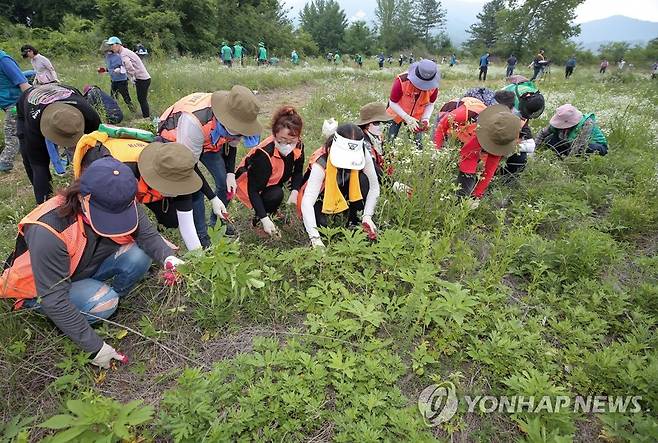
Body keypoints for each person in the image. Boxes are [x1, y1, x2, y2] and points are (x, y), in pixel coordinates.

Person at [0, 157, 183, 368]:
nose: (114, 222)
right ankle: (87, 307)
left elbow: (148, 236)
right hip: (39, 290)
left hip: (80, 269)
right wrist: (95, 348)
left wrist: (171, 259)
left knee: (139, 255)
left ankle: (95, 300)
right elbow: (54, 298)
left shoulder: (119, 197)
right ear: (82, 198)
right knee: (104, 302)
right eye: (106, 216)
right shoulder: (48, 230)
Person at [73, 134, 224, 251]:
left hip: (142, 180)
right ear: (159, 181)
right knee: (114, 230)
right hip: (106, 176)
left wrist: (199, 259)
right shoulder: (122, 173)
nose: (179, 192)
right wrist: (154, 240)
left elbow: (187, 225)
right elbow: (128, 217)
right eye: (174, 189)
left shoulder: (178, 172)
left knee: (171, 220)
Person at [158, 86, 262, 244]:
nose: (240, 137)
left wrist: (230, 174)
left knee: (224, 183)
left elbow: (231, 145)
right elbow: (189, 167)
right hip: (177, 138)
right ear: (225, 120)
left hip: (209, 141)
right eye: (238, 132)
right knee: (194, 192)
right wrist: (212, 198)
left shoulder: (237, 114)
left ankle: (216, 223)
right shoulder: (193, 121)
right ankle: (202, 237)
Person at [298, 123, 380, 247]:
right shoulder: (321, 161)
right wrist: (315, 239)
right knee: (323, 228)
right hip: (323, 194)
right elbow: (307, 202)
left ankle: (354, 220)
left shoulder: (363, 153)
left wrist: (367, 216)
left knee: (363, 180)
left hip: (346, 187)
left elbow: (374, 187)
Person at [16, 83, 101, 203]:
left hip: (61, 89)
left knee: (92, 152)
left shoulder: (89, 114)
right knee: (33, 162)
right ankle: (45, 203)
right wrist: (44, 204)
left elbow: (99, 146)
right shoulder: (34, 121)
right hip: (28, 103)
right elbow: (38, 165)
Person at [235, 107, 305, 237]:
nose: (286, 145)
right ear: (274, 134)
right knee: (275, 195)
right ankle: (257, 220)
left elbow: (298, 171)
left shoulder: (299, 146)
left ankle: (272, 211)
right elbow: (253, 190)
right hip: (251, 186)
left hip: (272, 180)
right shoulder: (264, 155)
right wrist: (264, 218)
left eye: (291, 141)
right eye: (281, 140)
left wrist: (295, 191)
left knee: (279, 190)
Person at [455, 104, 520, 200]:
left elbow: (489, 170)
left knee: (475, 179)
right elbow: (467, 158)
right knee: (465, 183)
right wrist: (465, 189)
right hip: (459, 133)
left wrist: (477, 195)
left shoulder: (504, 136)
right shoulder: (477, 134)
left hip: (477, 141)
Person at [386, 59, 440, 148]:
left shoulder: (434, 86)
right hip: (396, 113)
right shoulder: (401, 81)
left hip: (416, 116)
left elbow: (430, 103)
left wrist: (425, 119)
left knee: (418, 145)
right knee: (389, 140)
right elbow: (393, 102)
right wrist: (406, 117)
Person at [535, 104, 608, 157]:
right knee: (549, 140)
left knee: (588, 148)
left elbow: (578, 146)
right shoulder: (557, 124)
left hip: (591, 145)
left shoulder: (587, 124)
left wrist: (567, 162)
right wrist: (534, 150)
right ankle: (560, 155)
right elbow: (542, 133)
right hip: (570, 144)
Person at [493, 90, 537, 176]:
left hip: (509, 153)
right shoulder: (488, 114)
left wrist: (511, 147)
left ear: (511, 108)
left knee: (520, 157)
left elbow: (531, 146)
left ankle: (506, 179)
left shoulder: (520, 119)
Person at [106, 36, 151, 118]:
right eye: (110, 45)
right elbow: (126, 66)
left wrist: (132, 77)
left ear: (118, 45)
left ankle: (147, 118)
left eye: (112, 45)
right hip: (141, 78)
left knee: (142, 99)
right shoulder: (124, 52)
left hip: (142, 78)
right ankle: (146, 116)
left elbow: (129, 67)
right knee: (141, 99)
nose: (111, 47)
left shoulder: (123, 54)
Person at [0, 49, 30, 173]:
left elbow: (23, 83)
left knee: (11, 134)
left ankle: (5, 163)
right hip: (8, 104)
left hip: (16, 104)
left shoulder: (4, 60)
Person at [356, 102, 393, 178]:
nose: (381, 126)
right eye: (377, 123)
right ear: (366, 125)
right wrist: (392, 184)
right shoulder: (363, 142)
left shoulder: (378, 137)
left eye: (384, 122)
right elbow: (372, 168)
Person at [105, 48, 135, 113]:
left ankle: (133, 111)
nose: (107, 52)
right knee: (113, 98)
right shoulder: (108, 57)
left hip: (122, 80)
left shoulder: (119, 56)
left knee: (126, 97)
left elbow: (125, 66)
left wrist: (120, 69)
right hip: (113, 80)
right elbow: (110, 67)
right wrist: (105, 70)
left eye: (107, 50)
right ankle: (114, 112)